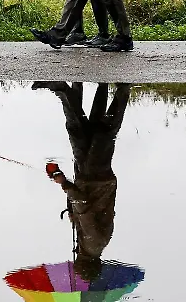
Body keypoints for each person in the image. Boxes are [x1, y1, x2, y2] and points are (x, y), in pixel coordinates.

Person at [36, 81, 131, 281]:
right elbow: (83, 205)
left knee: (84, 133)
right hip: (96, 179)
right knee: (103, 133)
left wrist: (73, 216)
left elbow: (84, 211)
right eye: (78, 268)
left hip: (91, 179)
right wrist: (64, 183)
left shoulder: (93, 245)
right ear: (86, 265)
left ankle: (71, 90)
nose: (75, 265)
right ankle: (122, 89)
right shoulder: (92, 244)